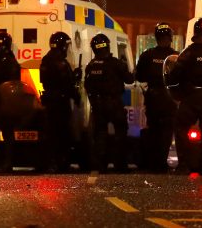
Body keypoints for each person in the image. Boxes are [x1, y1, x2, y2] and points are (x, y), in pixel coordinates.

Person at [170, 18, 202, 174]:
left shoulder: (188, 52)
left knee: (181, 129)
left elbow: (174, 75)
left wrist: (180, 91)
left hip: (191, 97)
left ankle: (184, 165)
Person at [83, 33, 134, 172]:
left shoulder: (91, 66)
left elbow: (87, 86)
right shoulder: (116, 64)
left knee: (100, 135)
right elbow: (130, 79)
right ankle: (120, 165)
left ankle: (101, 165)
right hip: (114, 103)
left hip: (98, 105)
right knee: (120, 134)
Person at [135, 23, 179, 173]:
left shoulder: (147, 55)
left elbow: (139, 75)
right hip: (169, 99)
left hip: (153, 99)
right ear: (170, 38)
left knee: (154, 130)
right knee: (166, 132)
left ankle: (152, 163)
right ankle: (161, 163)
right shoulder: (176, 57)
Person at [40, 31, 81, 172]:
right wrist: (77, 97)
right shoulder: (62, 63)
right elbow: (67, 85)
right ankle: (61, 162)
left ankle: (49, 163)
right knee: (63, 133)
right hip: (60, 103)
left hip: (48, 101)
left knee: (50, 133)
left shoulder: (45, 60)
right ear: (63, 46)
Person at [0, 28, 21, 172]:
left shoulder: (8, 62)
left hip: (4, 104)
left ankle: (7, 162)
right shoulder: (1, 60)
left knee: (7, 135)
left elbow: (6, 83)